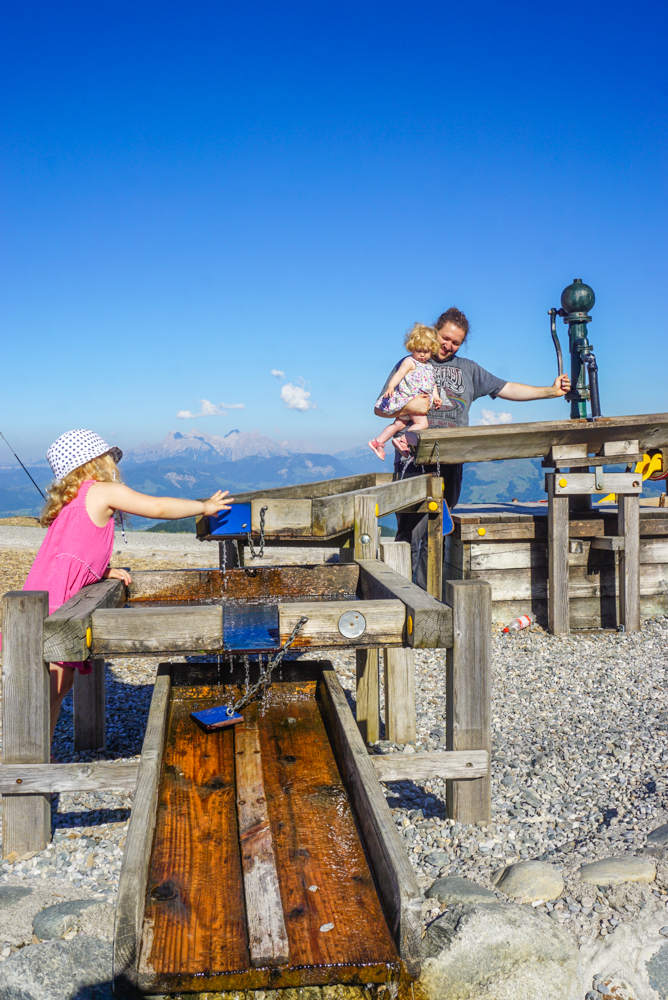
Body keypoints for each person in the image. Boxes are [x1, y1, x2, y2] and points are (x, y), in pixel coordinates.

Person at [20, 429, 234, 748]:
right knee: (45, 696)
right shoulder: (102, 490)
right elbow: (157, 507)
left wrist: (102, 570)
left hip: (42, 594)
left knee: (48, 695)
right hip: (56, 602)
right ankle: (24, 774)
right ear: (96, 462)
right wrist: (203, 507)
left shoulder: (71, 500)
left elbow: (70, 553)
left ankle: (38, 762)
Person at [375, 308, 571, 590]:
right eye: (445, 338)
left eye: (455, 342)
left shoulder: (469, 369)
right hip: (413, 457)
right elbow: (381, 406)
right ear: (435, 331)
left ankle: (425, 598)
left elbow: (507, 388)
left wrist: (550, 391)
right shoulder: (413, 361)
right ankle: (405, 598)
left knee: (436, 531)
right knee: (411, 532)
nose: (448, 346)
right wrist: (414, 407)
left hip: (451, 460)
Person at [368, 324, 442, 460]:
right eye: (418, 350)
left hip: (418, 400)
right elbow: (399, 374)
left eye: (426, 351)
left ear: (432, 350)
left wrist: (436, 397)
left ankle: (378, 442)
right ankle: (403, 440)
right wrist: (390, 387)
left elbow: (433, 384)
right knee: (423, 424)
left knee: (399, 424)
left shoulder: (429, 367)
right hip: (410, 399)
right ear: (411, 347)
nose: (422, 354)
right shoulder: (410, 362)